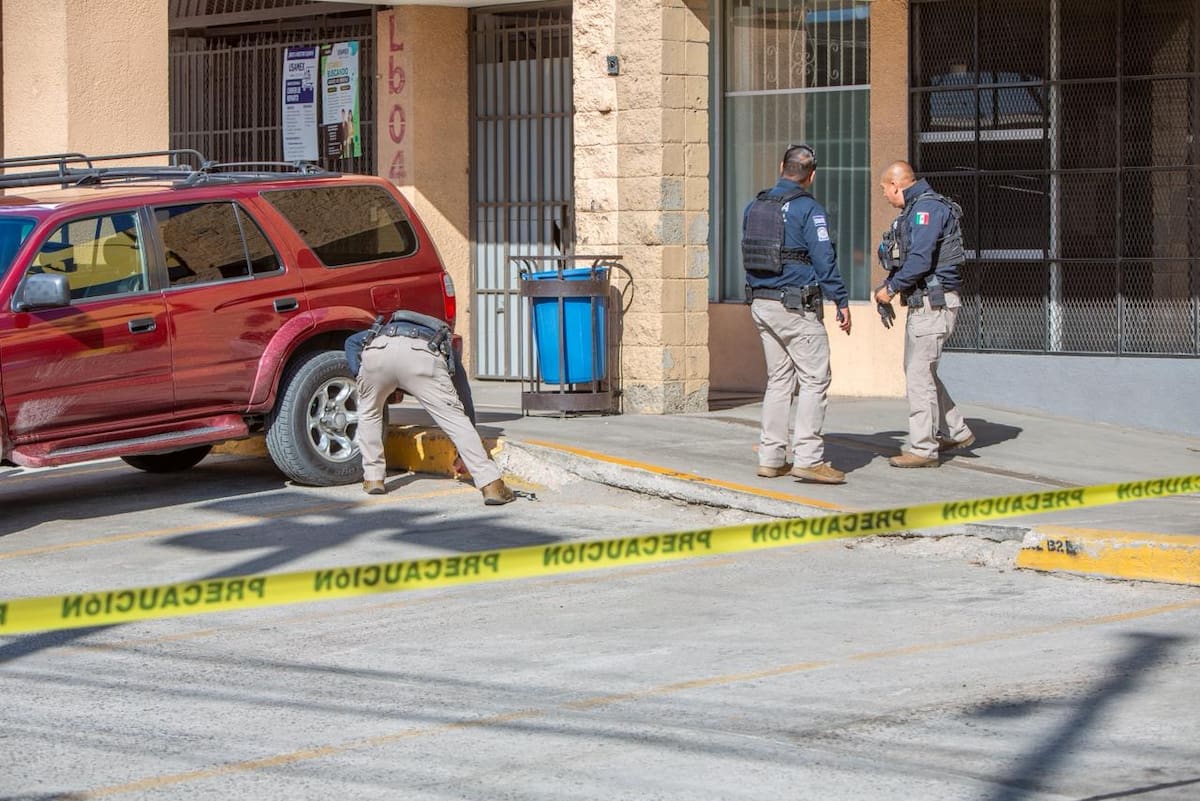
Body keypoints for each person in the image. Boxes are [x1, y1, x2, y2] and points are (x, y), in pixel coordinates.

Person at [742, 144, 852, 485]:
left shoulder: (754, 205)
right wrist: (841, 300)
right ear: (811, 176)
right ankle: (809, 459)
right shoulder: (809, 209)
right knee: (815, 379)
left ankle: (772, 458)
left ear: (781, 167)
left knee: (779, 381)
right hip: (795, 307)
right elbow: (824, 258)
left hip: (761, 304)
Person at [348, 311, 514, 504]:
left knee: (369, 414)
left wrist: (359, 377)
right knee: (455, 419)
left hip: (378, 353)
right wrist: (462, 455)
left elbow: (351, 343)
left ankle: (373, 478)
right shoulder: (444, 339)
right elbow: (463, 399)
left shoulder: (383, 330)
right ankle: (491, 485)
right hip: (422, 353)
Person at [874, 160, 975, 468]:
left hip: (934, 304)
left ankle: (923, 449)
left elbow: (919, 260)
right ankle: (956, 430)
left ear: (896, 185)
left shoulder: (926, 210)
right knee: (922, 372)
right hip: (924, 303)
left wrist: (890, 289)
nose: (885, 197)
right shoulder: (917, 209)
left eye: (884, 190)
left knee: (918, 376)